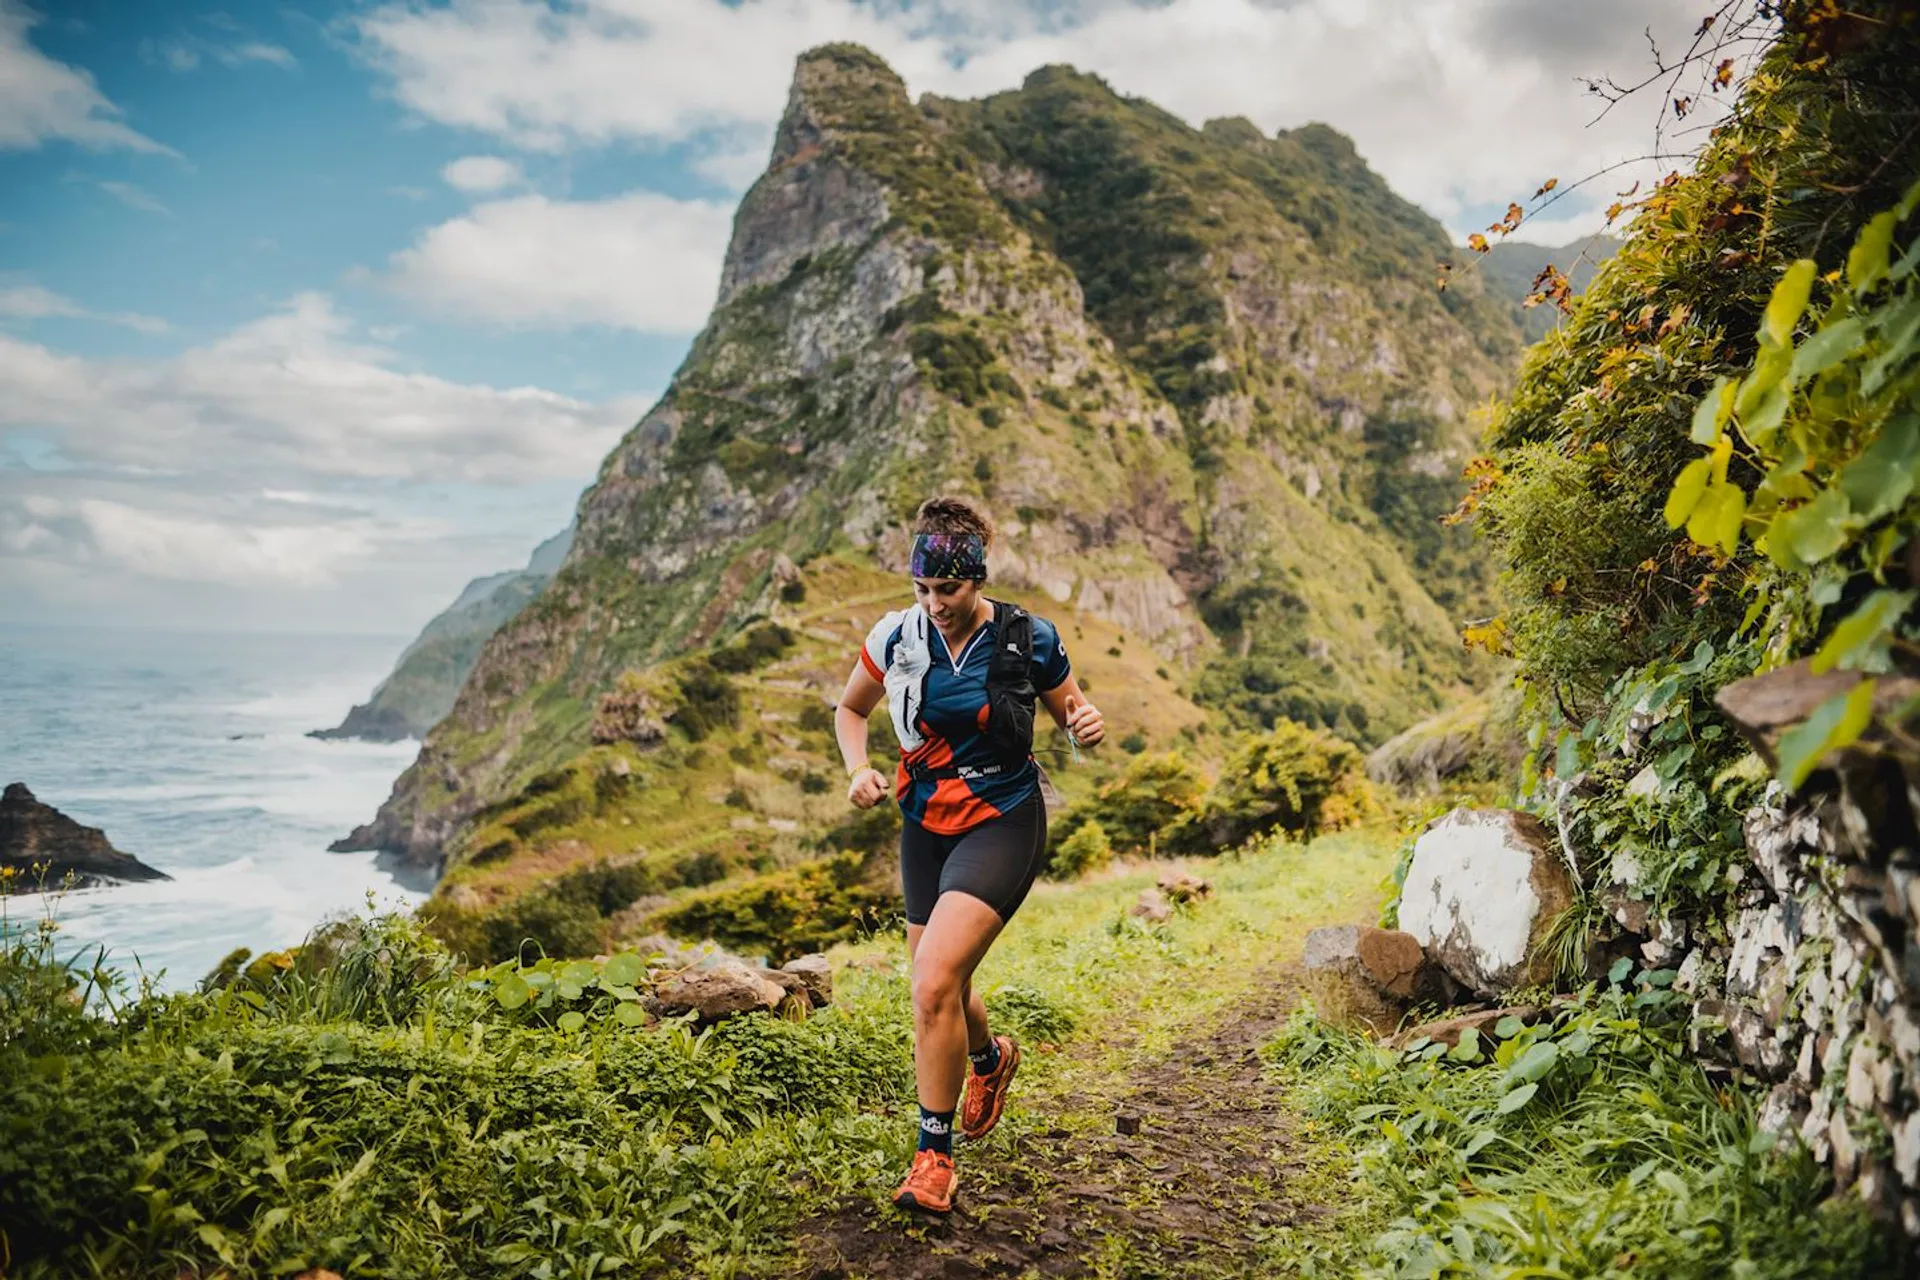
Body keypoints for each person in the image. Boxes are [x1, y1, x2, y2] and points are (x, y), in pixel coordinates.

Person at [833, 496, 1106, 1216]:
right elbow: (849, 709)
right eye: (923, 590)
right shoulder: (895, 637)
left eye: (948, 590)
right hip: (924, 822)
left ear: (976, 580)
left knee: (931, 984)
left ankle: (933, 1158)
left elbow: (1072, 718)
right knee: (937, 984)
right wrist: (858, 768)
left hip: (1003, 819)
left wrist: (1086, 727)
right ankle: (991, 1058)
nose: (935, 604)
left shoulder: (1027, 638)